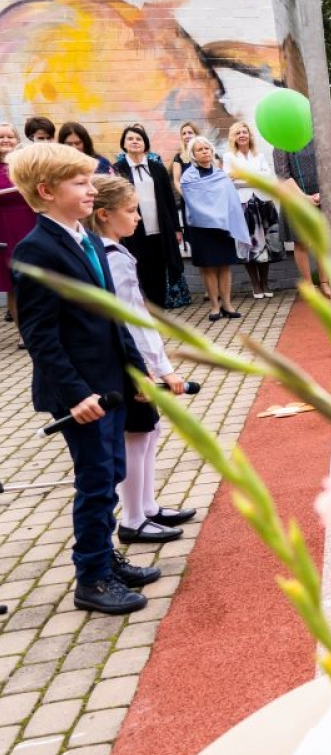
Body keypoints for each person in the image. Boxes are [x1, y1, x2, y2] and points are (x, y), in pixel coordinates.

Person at [9, 143, 162, 614]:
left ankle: (104, 557)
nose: (91, 189)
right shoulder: (35, 251)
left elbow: (115, 318)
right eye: (80, 183)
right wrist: (75, 395)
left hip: (112, 386)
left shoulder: (88, 238)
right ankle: (91, 576)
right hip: (82, 394)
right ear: (46, 191)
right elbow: (41, 337)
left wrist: (136, 373)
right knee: (96, 481)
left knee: (111, 472)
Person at [85, 175, 196, 544]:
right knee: (137, 434)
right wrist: (155, 367)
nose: (137, 217)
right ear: (103, 214)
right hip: (131, 362)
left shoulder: (115, 251)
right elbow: (130, 319)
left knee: (149, 430)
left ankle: (147, 506)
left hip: (136, 359)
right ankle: (132, 518)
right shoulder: (110, 257)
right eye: (130, 211)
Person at [114, 124, 185, 308]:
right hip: (134, 230)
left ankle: (159, 308)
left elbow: (169, 199)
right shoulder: (118, 169)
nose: (135, 142)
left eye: (139, 138)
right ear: (124, 144)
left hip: (159, 228)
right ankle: (144, 310)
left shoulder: (157, 168)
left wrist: (176, 228)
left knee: (160, 270)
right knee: (140, 270)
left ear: (145, 143)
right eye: (130, 138)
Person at [180, 137, 250, 319]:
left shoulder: (220, 175)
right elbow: (193, 203)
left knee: (225, 266)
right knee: (209, 267)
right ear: (193, 155)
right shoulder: (188, 177)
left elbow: (231, 201)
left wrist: (225, 218)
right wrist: (214, 215)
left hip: (223, 226)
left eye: (207, 148)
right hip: (201, 228)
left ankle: (227, 305)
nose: (204, 152)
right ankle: (214, 307)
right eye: (200, 150)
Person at [222, 122, 282, 298]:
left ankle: (265, 282)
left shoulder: (260, 155)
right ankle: (255, 285)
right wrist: (254, 177)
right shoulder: (229, 157)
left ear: (249, 135)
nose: (242, 135)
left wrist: (244, 175)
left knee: (266, 245)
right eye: (238, 133)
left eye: (245, 132)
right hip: (244, 205)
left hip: (264, 203)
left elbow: (268, 178)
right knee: (249, 244)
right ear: (234, 137)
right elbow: (230, 181)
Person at [273, 138, 327, 296]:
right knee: (301, 241)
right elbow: (283, 175)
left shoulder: (315, 137)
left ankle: (324, 282)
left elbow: (327, 166)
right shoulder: (281, 142)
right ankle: (308, 284)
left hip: (320, 195)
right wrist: (305, 197)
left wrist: (323, 192)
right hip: (295, 198)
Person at [0, 122, 34, 333]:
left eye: (9, 137)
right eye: (1, 137)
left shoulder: (26, 164)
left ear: (17, 140)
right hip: (3, 227)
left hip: (29, 223)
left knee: (34, 280)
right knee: (13, 283)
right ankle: (24, 334)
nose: (5, 141)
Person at [170, 121, 206, 197]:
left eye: (190, 133)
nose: (187, 136)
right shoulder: (178, 157)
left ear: (196, 135)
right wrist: (186, 196)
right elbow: (177, 181)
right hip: (188, 197)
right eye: (184, 134)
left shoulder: (206, 152)